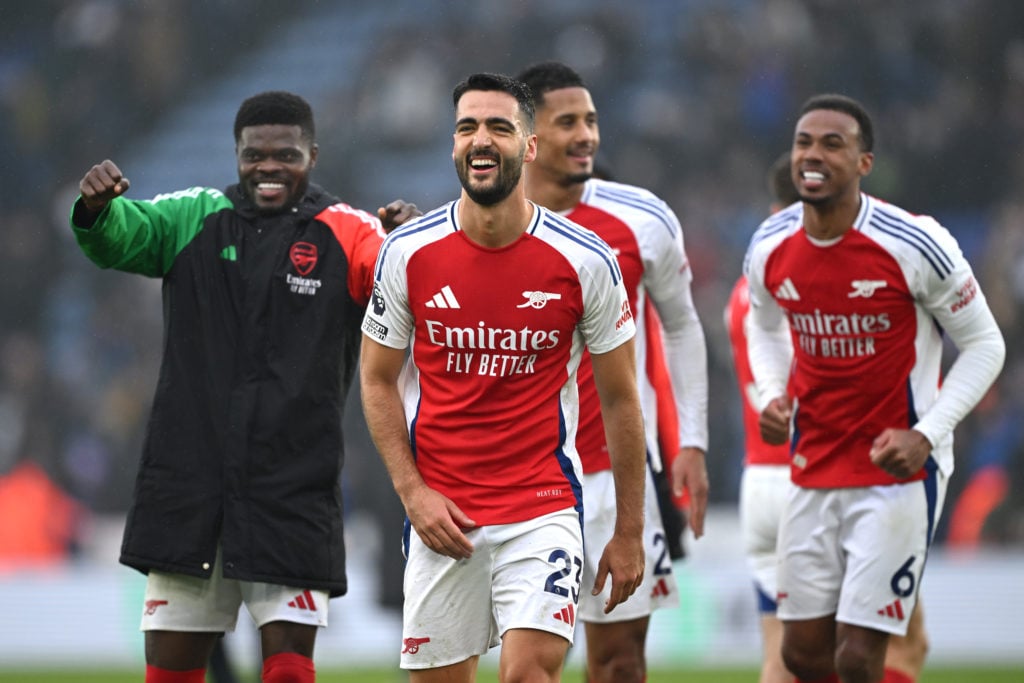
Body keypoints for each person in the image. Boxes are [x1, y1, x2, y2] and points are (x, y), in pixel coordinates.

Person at [69, 90, 418, 683]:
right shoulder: (194, 215)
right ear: (236, 154)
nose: (269, 168)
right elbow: (122, 235)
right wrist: (97, 211)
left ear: (312, 153)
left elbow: (398, 278)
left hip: (291, 486)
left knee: (287, 671)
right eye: (255, 155)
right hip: (191, 485)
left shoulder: (347, 230)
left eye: (285, 154)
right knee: (170, 672)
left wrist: (410, 245)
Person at [359, 72, 647, 683]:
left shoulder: (586, 260)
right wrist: (413, 494)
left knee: (528, 675)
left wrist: (628, 531)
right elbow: (377, 380)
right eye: (467, 127)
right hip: (444, 516)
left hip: (542, 507)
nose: (480, 140)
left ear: (530, 145)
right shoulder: (407, 252)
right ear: (453, 144)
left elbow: (622, 398)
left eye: (498, 127)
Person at [744, 94, 1005, 683]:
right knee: (801, 655)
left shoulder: (914, 243)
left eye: (833, 144)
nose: (813, 155)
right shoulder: (770, 244)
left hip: (897, 473)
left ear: (864, 163)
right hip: (812, 465)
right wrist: (769, 391)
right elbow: (760, 323)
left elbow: (987, 346)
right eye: (804, 142)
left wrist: (926, 433)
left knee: (859, 656)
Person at [515, 61, 709, 683]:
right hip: (521, 476)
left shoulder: (642, 218)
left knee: (620, 661)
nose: (586, 136)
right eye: (567, 121)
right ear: (528, 136)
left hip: (616, 477)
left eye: (592, 120)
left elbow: (681, 326)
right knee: (527, 668)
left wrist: (694, 441)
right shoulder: (484, 222)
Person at [730, 151, 929, 683]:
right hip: (823, 471)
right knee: (900, 645)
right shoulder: (812, 277)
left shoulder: (743, 292)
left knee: (785, 655)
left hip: (761, 477)